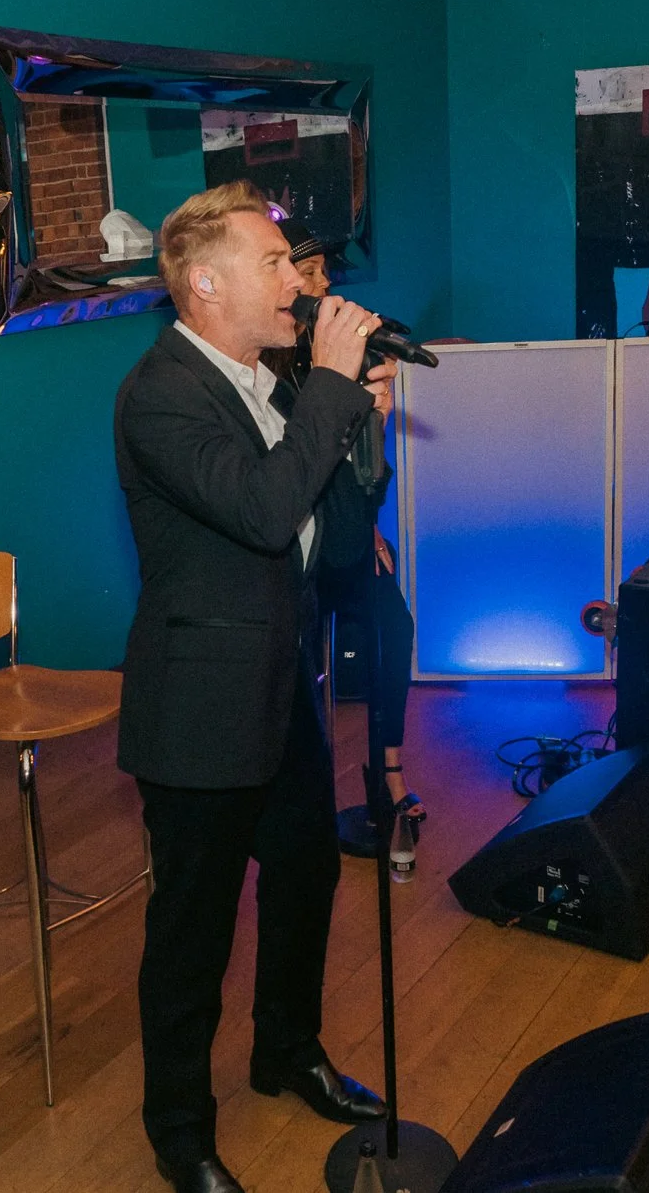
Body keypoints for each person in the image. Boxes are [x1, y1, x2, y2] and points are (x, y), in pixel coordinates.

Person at [113, 183, 393, 1193]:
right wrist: (328, 385)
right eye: (274, 263)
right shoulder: (160, 395)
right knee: (192, 931)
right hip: (199, 704)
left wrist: (360, 425)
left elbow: (333, 540)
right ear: (203, 284)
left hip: (285, 685)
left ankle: (288, 1051)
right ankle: (180, 1131)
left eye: (293, 263)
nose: (298, 279)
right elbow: (267, 514)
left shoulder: (266, 381)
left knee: (305, 883)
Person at [257, 220, 423, 873]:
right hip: (291, 554)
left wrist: (376, 420)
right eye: (314, 271)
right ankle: (300, 793)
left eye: (327, 271)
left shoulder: (340, 365)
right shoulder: (271, 371)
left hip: (347, 534)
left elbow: (366, 481)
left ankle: (386, 771)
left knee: (393, 622)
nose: (326, 284)